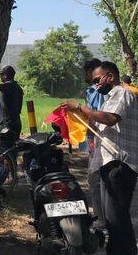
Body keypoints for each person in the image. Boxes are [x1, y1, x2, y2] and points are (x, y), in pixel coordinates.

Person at [64, 61, 138, 255]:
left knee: (117, 217)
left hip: (120, 163)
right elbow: (104, 128)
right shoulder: (109, 99)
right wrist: (85, 121)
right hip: (109, 162)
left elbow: (110, 118)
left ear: (110, 76)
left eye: (97, 80)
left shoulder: (123, 93)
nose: (96, 85)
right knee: (111, 218)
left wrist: (80, 107)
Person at [82, 58, 106, 229]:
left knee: (95, 178)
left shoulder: (101, 91)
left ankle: (102, 217)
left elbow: (97, 115)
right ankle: (102, 215)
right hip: (92, 138)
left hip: (100, 137)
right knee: (96, 179)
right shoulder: (89, 90)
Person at [0, 66, 24, 146]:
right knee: (13, 148)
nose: (1, 77)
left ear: (5, 76)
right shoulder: (19, 88)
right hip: (16, 122)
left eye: (1, 75)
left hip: (7, 124)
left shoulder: (8, 86)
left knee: (5, 148)